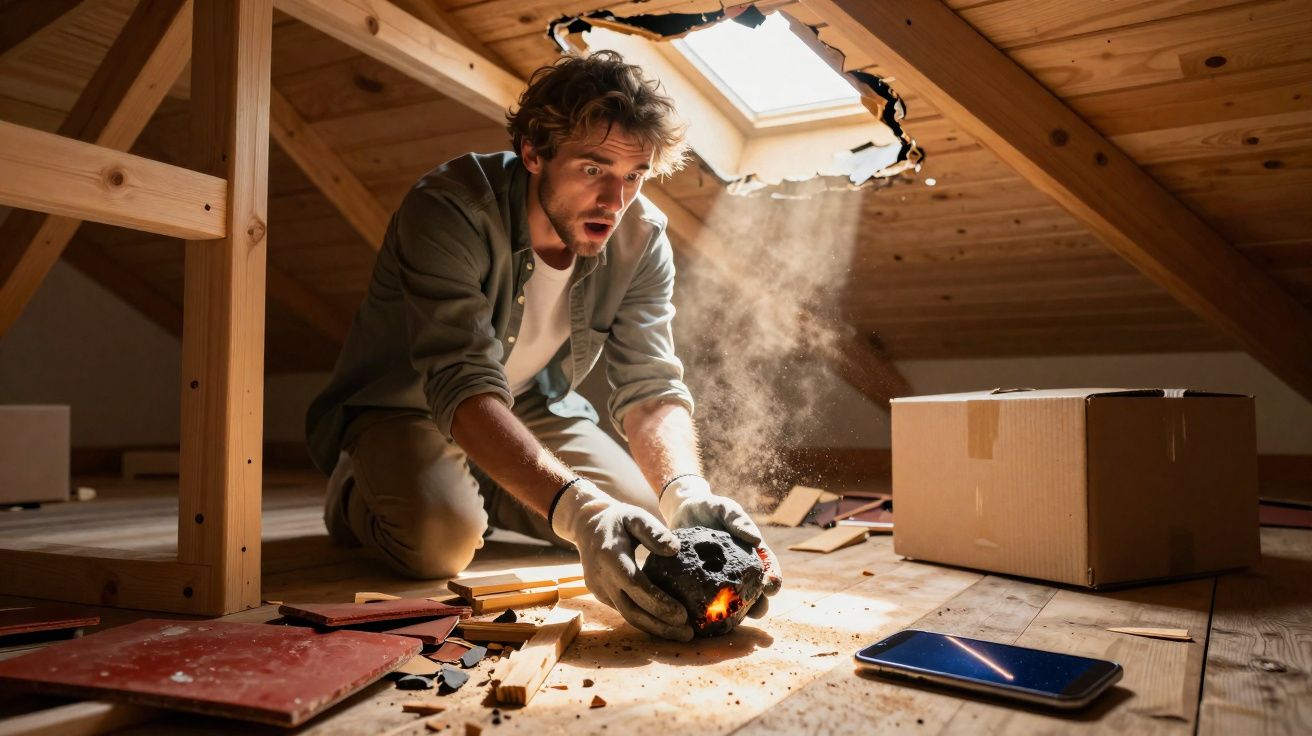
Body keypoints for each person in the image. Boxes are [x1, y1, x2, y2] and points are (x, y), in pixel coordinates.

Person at [305, 51, 781, 641]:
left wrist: (686, 491)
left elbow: (652, 388)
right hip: (410, 406)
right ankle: (358, 489)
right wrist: (581, 510)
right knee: (440, 542)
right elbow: (461, 382)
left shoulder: (641, 238)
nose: (615, 200)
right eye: (593, 169)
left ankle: (494, 477)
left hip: (531, 404)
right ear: (534, 152)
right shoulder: (449, 208)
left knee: (649, 517)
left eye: (634, 175)